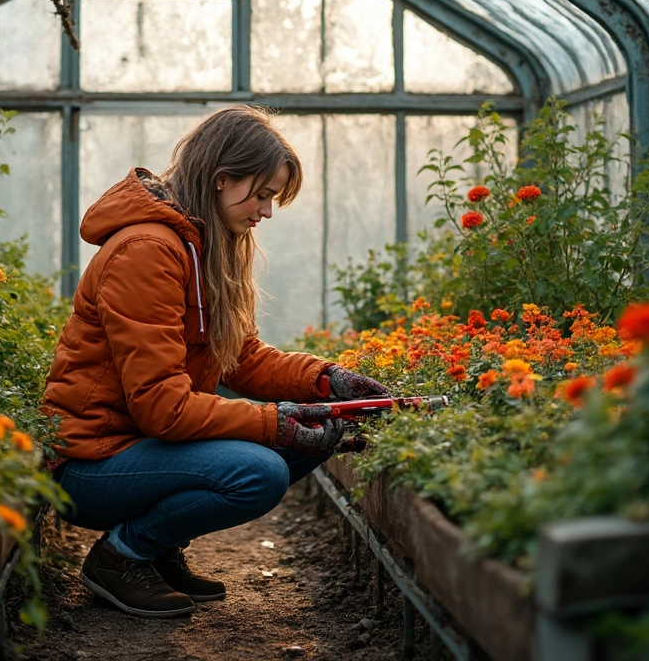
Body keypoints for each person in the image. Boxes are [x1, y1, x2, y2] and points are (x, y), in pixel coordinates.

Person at [41, 106, 390, 619]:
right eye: (264, 194)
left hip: (141, 448)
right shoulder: (147, 250)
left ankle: (156, 550)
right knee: (261, 471)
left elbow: (240, 357)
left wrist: (324, 382)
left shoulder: (208, 244)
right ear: (223, 180)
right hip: (92, 461)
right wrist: (276, 423)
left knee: (317, 433)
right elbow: (163, 408)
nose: (267, 212)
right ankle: (121, 556)